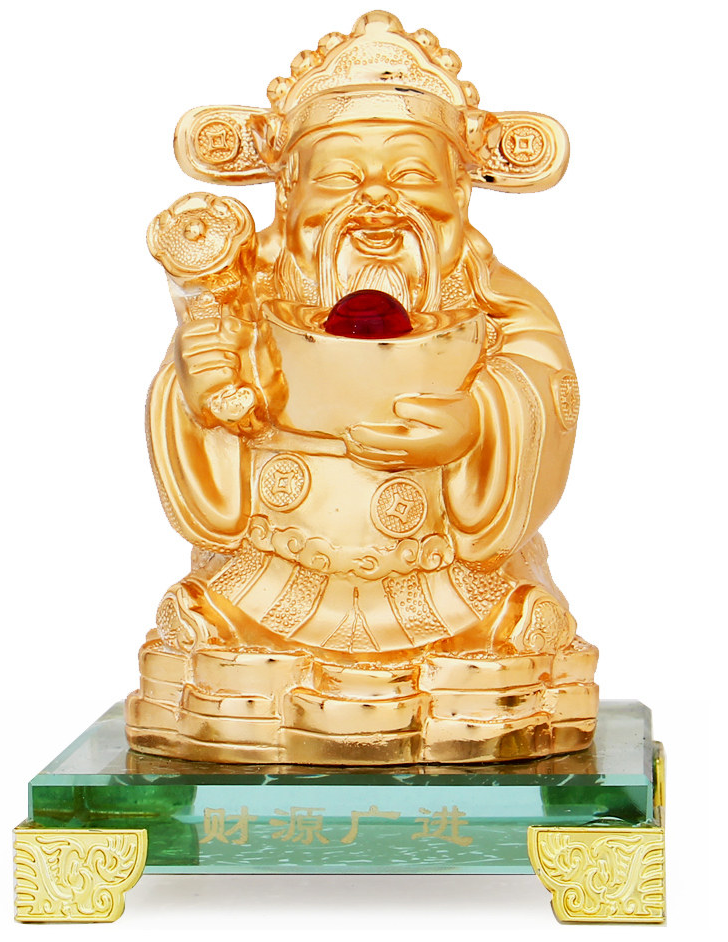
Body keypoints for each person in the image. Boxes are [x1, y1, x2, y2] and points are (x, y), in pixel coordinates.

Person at [126, 11, 597, 764]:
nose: (377, 200)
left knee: (507, 630)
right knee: (214, 623)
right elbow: (188, 385)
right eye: (342, 176)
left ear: (460, 195)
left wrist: (481, 420)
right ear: (289, 193)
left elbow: (542, 375)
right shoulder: (250, 290)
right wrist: (209, 385)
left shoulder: (487, 292)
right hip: (279, 557)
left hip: (439, 567)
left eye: (411, 176)